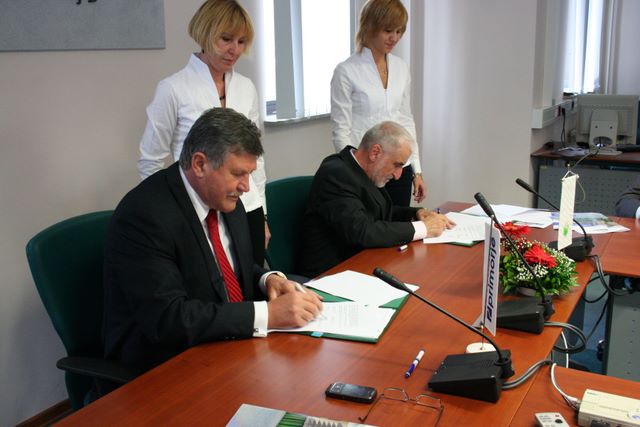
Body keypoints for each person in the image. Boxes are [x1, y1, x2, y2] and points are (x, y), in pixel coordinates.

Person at [104, 108, 323, 372]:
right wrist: (269, 314)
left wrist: (267, 280)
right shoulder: (145, 216)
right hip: (166, 363)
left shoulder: (226, 199)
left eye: (249, 174)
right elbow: (167, 319)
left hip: (226, 345)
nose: (246, 187)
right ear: (200, 164)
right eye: (238, 174)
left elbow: (230, 271)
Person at [137, 0, 269, 266]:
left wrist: (262, 214)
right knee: (210, 284)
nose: (234, 50)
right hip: (197, 210)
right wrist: (170, 214)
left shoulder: (246, 88)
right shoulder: (173, 89)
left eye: (241, 42)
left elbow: (256, 159)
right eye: (226, 39)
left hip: (247, 206)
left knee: (251, 281)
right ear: (206, 33)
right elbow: (150, 161)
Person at [298, 121, 454, 278]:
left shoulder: (364, 171)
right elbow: (362, 231)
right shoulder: (336, 174)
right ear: (375, 152)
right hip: (330, 275)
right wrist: (423, 228)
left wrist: (416, 214)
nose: (398, 175)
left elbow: (383, 212)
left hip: (361, 264)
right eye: (397, 165)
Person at [330, 0, 425, 207]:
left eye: (399, 31)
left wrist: (416, 170)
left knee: (400, 222)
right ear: (370, 26)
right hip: (365, 171)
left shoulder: (401, 68)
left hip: (399, 168)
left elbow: (406, 121)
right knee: (369, 225)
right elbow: (341, 131)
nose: (394, 38)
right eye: (388, 30)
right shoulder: (346, 71)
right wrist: (353, 174)